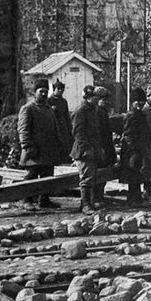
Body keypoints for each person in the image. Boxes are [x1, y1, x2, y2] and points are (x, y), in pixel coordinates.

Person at [17, 79, 64, 211]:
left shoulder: (49, 109)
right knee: (31, 176)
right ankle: (26, 200)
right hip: (34, 150)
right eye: (41, 91)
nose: (44, 94)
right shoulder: (28, 108)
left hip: (48, 149)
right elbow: (23, 129)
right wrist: (27, 146)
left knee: (47, 175)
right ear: (34, 93)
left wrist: (59, 143)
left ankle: (44, 200)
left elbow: (55, 128)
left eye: (45, 91)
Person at [71, 85, 103, 215]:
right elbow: (78, 133)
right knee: (86, 178)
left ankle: (87, 203)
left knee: (92, 177)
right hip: (83, 150)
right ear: (90, 97)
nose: (99, 100)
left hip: (93, 148)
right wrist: (86, 149)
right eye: (97, 97)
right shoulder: (81, 111)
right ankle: (85, 205)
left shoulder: (92, 110)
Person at [120, 88, 151, 207]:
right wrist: (134, 150)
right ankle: (133, 200)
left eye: (142, 101)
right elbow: (128, 135)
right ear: (132, 102)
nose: (140, 103)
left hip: (139, 149)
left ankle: (137, 199)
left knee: (138, 174)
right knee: (132, 174)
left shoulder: (141, 115)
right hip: (131, 151)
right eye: (137, 101)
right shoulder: (131, 115)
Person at [94, 87, 116, 207]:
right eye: (103, 99)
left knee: (103, 173)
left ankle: (100, 196)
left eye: (107, 99)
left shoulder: (103, 112)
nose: (106, 102)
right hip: (99, 147)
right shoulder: (96, 112)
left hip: (106, 146)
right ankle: (95, 198)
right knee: (98, 173)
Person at [48, 79, 73, 159]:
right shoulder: (49, 101)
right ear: (54, 89)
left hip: (63, 125)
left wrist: (69, 127)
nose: (60, 91)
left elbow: (66, 114)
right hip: (54, 125)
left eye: (62, 89)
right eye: (58, 89)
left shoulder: (64, 101)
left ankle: (65, 157)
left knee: (65, 142)